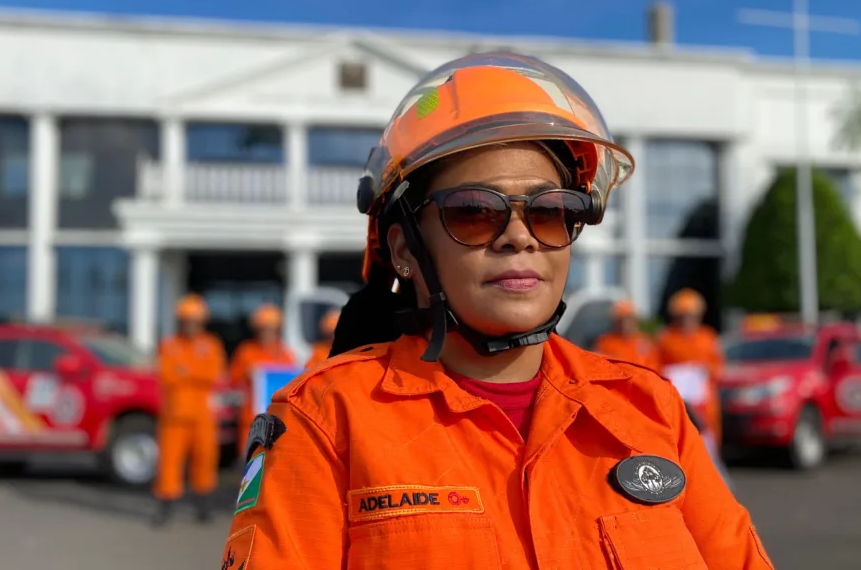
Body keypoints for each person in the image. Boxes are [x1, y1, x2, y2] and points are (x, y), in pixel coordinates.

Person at [221, 52, 773, 569]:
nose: (518, 237)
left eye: (551, 211)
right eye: (473, 211)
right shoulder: (324, 420)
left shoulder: (650, 410)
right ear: (405, 251)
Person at [151, 294, 225, 528]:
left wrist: (187, 372)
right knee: (169, 463)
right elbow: (166, 374)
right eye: (186, 320)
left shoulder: (211, 344)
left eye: (194, 321)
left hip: (203, 415)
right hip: (174, 416)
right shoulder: (169, 345)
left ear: (202, 322)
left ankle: (204, 508)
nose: (189, 325)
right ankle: (165, 508)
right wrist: (194, 373)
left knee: (205, 460)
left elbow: (213, 374)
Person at [656, 288, 725, 445]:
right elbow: (655, 367)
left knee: (708, 446)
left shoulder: (707, 337)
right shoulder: (666, 338)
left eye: (691, 315)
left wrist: (708, 371)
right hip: (676, 402)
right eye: (683, 316)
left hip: (705, 404)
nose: (687, 320)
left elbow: (719, 367)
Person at [228, 303, 297, 455]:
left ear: (277, 330)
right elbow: (233, 378)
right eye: (263, 328)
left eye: (270, 329)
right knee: (250, 468)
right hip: (250, 419)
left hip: (276, 420)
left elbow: (291, 383)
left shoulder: (285, 354)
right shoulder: (246, 351)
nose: (266, 333)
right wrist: (247, 374)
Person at [593, 299, 659, 370]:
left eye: (628, 319)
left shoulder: (645, 341)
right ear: (615, 322)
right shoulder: (605, 342)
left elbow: (656, 367)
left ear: (634, 319)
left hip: (642, 379)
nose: (625, 324)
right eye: (620, 320)